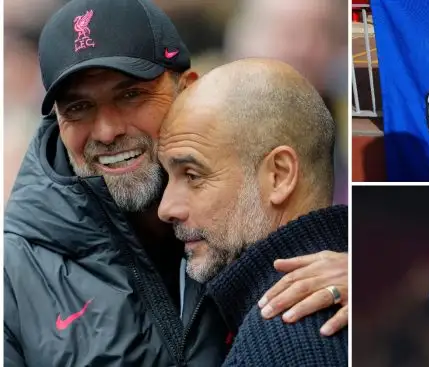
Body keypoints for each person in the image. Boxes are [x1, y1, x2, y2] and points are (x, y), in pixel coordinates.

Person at [4, 1, 347, 366]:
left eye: (131, 95)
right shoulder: (13, 276)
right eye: (77, 108)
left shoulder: (249, 202)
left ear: (187, 87)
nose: (106, 131)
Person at [157, 58, 347, 366]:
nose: (166, 209)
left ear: (279, 176)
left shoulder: (282, 342)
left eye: (192, 175)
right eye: (168, 177)